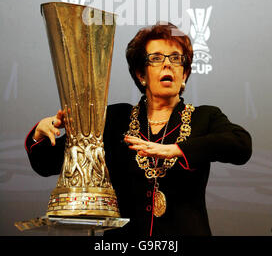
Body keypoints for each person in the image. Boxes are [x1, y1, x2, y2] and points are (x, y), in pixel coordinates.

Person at [25, 22, 252, 237]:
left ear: (184, 74)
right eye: (156, 58)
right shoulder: (114, 119)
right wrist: (39, 133)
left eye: (176, 58)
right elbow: (47, 163)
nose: (167, 64)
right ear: (141, 74)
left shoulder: (205, 117)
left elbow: (241, 145)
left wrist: (176, 150)